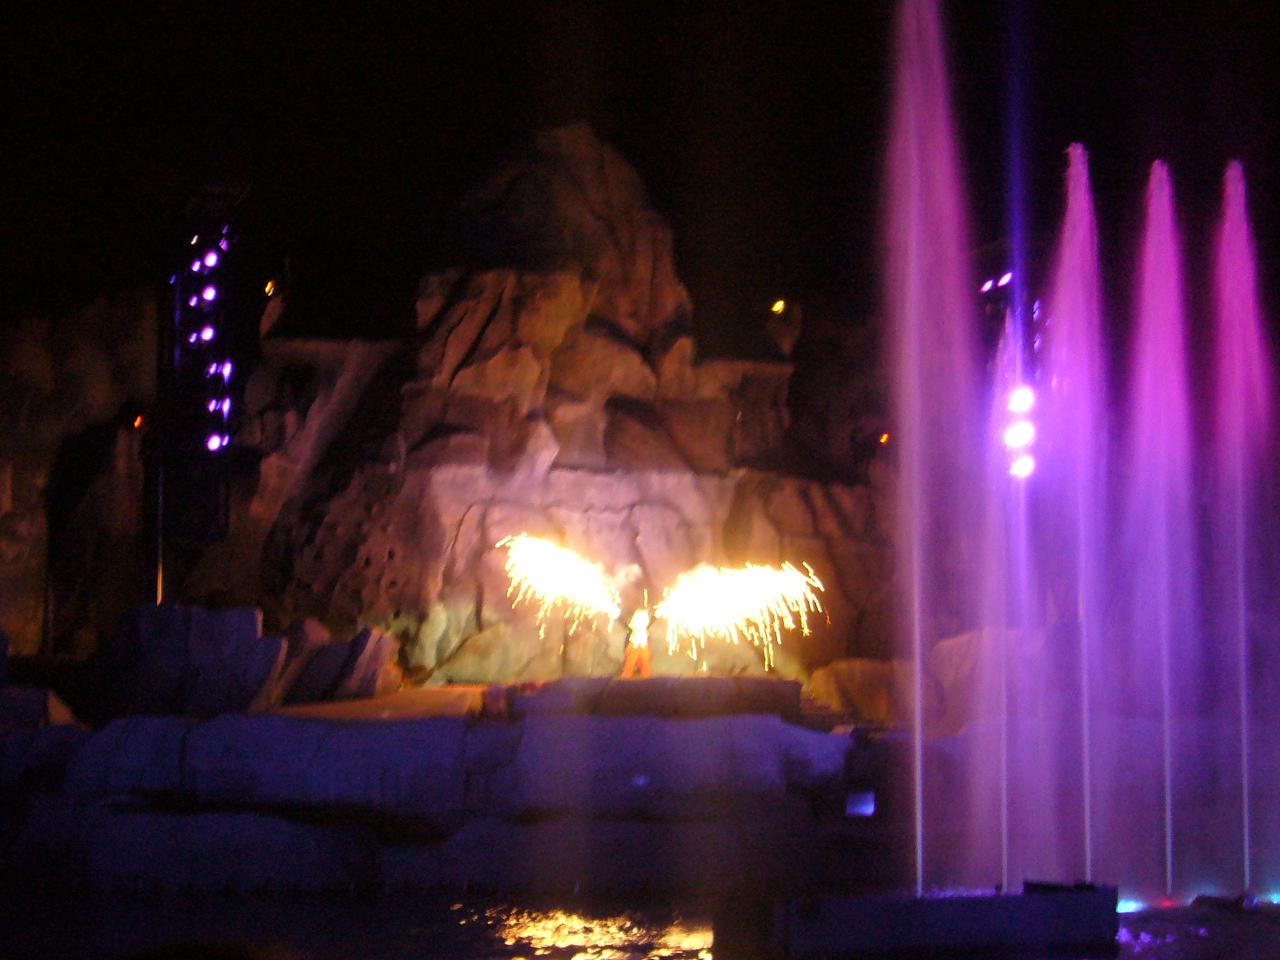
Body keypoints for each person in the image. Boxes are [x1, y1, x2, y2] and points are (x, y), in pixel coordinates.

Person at [620, 607, 652, 678]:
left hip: (642, 644)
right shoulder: (634, 622)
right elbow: (628, 626)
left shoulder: (644, 616)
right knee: (630, 665)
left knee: (646, 665)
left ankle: (648, 681)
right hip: (634, 644)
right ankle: (624, 681)